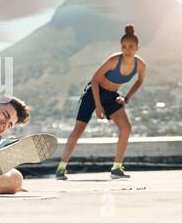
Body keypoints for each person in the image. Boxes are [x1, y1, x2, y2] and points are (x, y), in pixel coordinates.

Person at [55, 25, 147, 180]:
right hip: (93, 93)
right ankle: (61, 168)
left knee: (126, 128)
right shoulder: (113, 60)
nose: (127, 50)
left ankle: (117, 168)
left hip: (111, 96)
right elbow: (95, 80)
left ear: (137, 47)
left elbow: (139, 81)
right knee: (78, 131)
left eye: (131, 47)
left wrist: (126, 98)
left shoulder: (140, 65)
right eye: (124, 47)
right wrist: (98, 106)